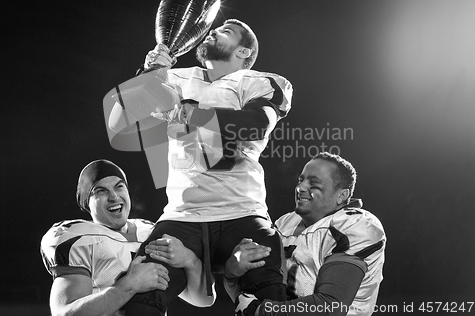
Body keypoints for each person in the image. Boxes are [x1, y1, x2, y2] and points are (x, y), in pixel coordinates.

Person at [109, 19, 293, 315]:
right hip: (182, 216)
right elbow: (119, 121)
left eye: (226, 32)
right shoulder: (175, 78)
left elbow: (256, 126)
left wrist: (194, 113)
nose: (213, 31)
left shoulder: (259, 81)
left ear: (244, 51)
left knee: (267, 297)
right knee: (140, 296)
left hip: (242, 213)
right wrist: (147, 75)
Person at [40, 159, 215, 316]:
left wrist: (190, 261)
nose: (114, 196)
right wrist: (129, 285)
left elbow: (204, 299)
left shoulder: (152, 232)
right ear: (87, 202)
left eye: (119, 186)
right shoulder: (79, 239)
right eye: (100, 191)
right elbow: (65, 313)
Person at [225, 152, 386, 316]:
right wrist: (232, 274)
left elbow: (329, 307)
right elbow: (246, 302)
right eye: (301, 180)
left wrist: (260, 311)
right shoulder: (284, 223)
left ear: (342, 195)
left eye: (314, 184)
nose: (300, 188)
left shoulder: (354, 225)